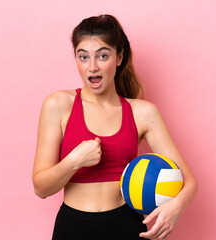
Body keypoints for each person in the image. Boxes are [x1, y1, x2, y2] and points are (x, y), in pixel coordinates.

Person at [32, 14, 198, 240]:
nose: (92, 67)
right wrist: (74, 160)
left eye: (102, 56)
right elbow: (41, 188)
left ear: (119, 57)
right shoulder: (58, 105)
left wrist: (175, 207)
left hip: (127, 226)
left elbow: (189, 181)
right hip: (73, 228)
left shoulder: (142, 112)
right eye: (83, 57)